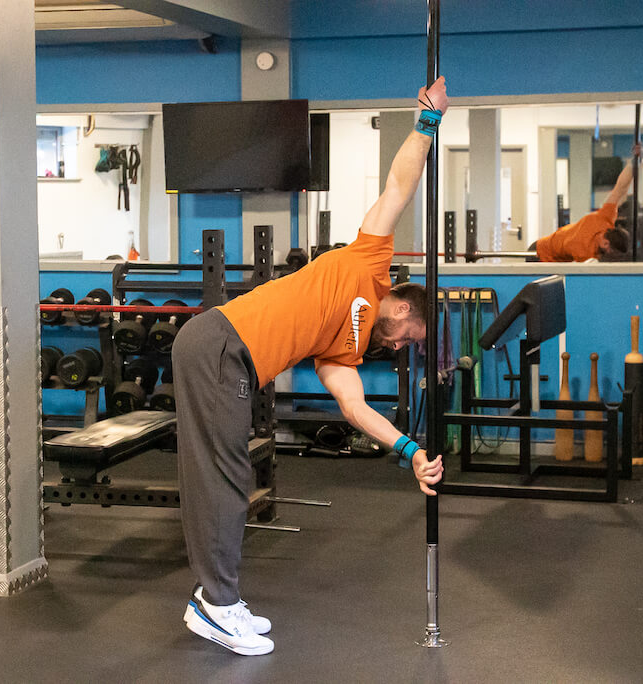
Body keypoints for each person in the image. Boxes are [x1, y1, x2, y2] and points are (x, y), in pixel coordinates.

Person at [171, 77, 449, 657]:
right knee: (225, 479)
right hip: (220, 343)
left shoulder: (344, 348)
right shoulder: (368, 263)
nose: (400, 347)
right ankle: (214, 606)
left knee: (229, 475)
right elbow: (400, 186)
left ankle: (219, 596)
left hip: (232, 359)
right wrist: (424, 123)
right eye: (408, 335)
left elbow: (354, 408)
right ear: (399, 305)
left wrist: (411, 452)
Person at [533, 143, 643, 262]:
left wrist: (635, 162)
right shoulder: (581, 250)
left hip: (553, 254)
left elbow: (620, 188)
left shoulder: (604, 218)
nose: (612, 256)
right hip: (540, 255)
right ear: (606, 244)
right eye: (613, 253)